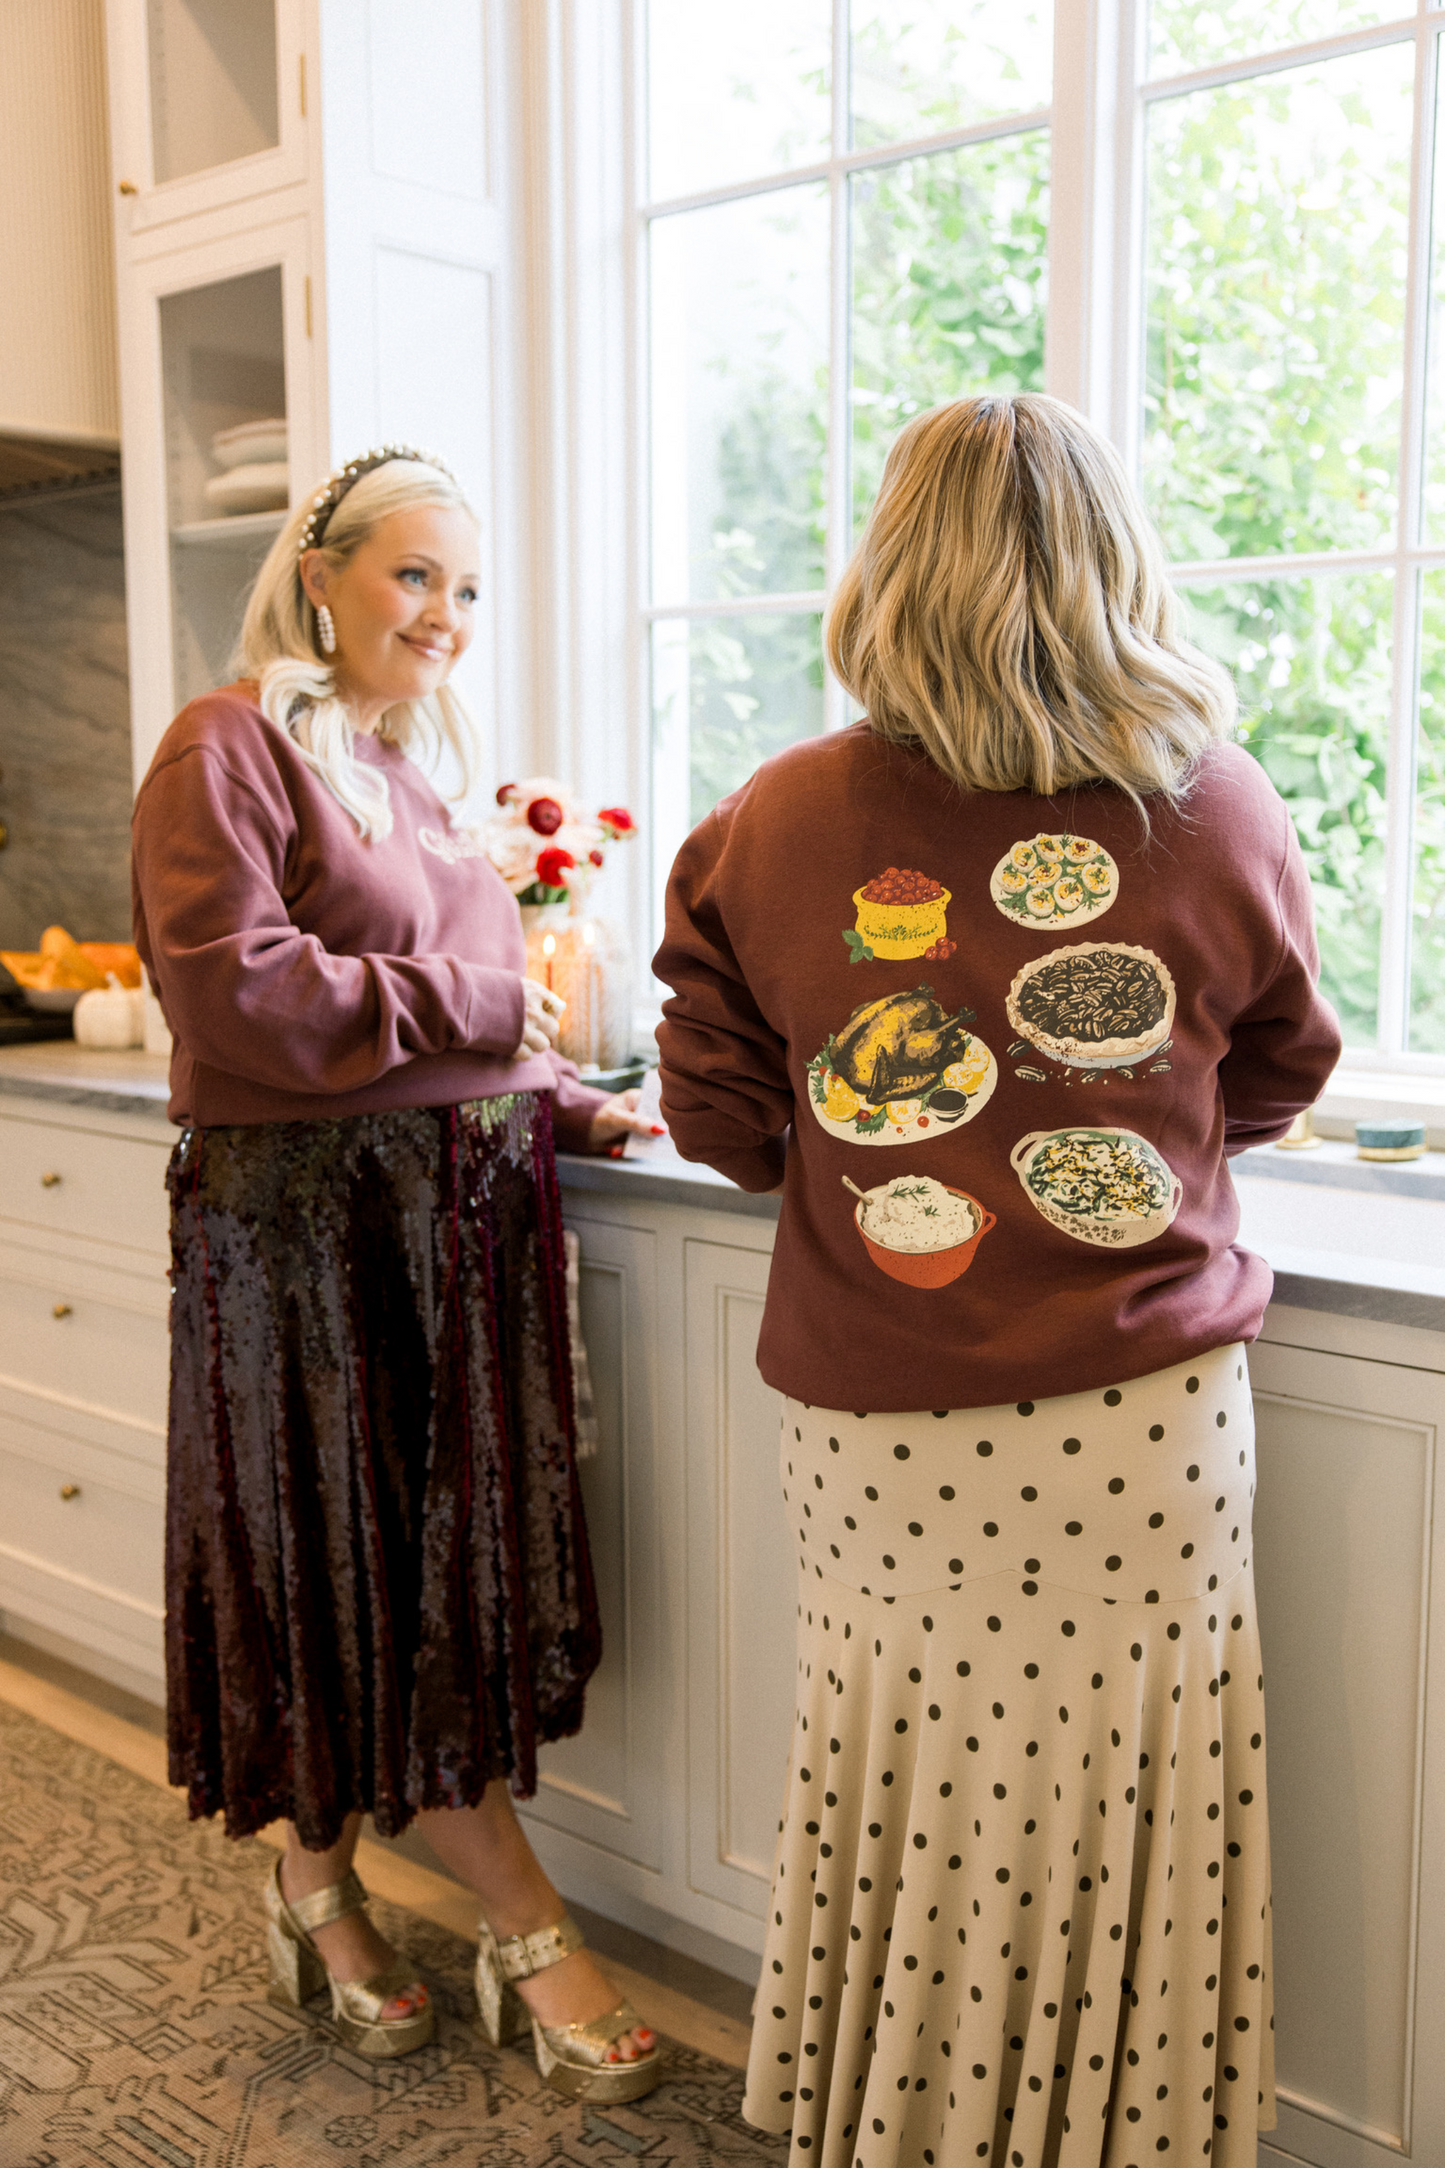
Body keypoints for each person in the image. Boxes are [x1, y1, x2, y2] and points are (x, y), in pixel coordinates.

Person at [653, 394, 1341, 2167]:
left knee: (905, 1794)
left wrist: (897, 1157)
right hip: (1139, 1428)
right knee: (1123, 1814)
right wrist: (1132, 1142)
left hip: (879, 1429)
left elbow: (725, 1119)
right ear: (1116, 565)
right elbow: (1275, 1070)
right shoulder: (1220, 810)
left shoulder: (774, 818)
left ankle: (901, 2128)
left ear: (889, 563)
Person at [132, 446, 661, 2101]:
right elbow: (244, 999)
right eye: (414, 575)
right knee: (348, 1565)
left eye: (467, 588)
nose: (445, 616)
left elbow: (459, 1008)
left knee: (391, 1576)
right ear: (319, 575)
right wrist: (498, 1025)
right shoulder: (221, 749)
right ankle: (522, 1919)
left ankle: (310, 1884)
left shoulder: (402, 775)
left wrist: (577, 1101)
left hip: (456, 1236)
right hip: (307, 1238)